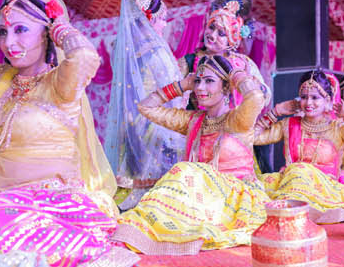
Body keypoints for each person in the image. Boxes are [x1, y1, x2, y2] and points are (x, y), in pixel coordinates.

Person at [0, 0, 140, 267]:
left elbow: (85, 57)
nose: (9, 43)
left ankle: (92, 256)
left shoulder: (60, 84)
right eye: (5, 32)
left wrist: (61, 27)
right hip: (4, 200)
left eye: (21, 30)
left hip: (55, 200)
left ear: (46, 34)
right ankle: (72, 257)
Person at [114, 53, 270, 254]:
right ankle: (137, 237)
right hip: (202, 196)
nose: (200, 88)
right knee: (182, 177)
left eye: (209, 81)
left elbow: (255, 97)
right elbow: (146, 107)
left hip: (233, 198)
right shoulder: (193, 120)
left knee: (185, 169)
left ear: (225, 87)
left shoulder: (238, 120)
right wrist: (183, 85)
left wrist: (236, 75)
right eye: (198, 81)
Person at [252, 72, 344, 224]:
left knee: (299, 169)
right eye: (304, 97)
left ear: (327, 100)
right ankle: (296, 210)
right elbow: (252, 138)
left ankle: (296, 211)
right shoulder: (288, 125)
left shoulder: (337, 128)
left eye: (315, 97)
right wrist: (275, 112)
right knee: (255, 190)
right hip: (291, 184)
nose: (308, 103)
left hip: (325, 189)